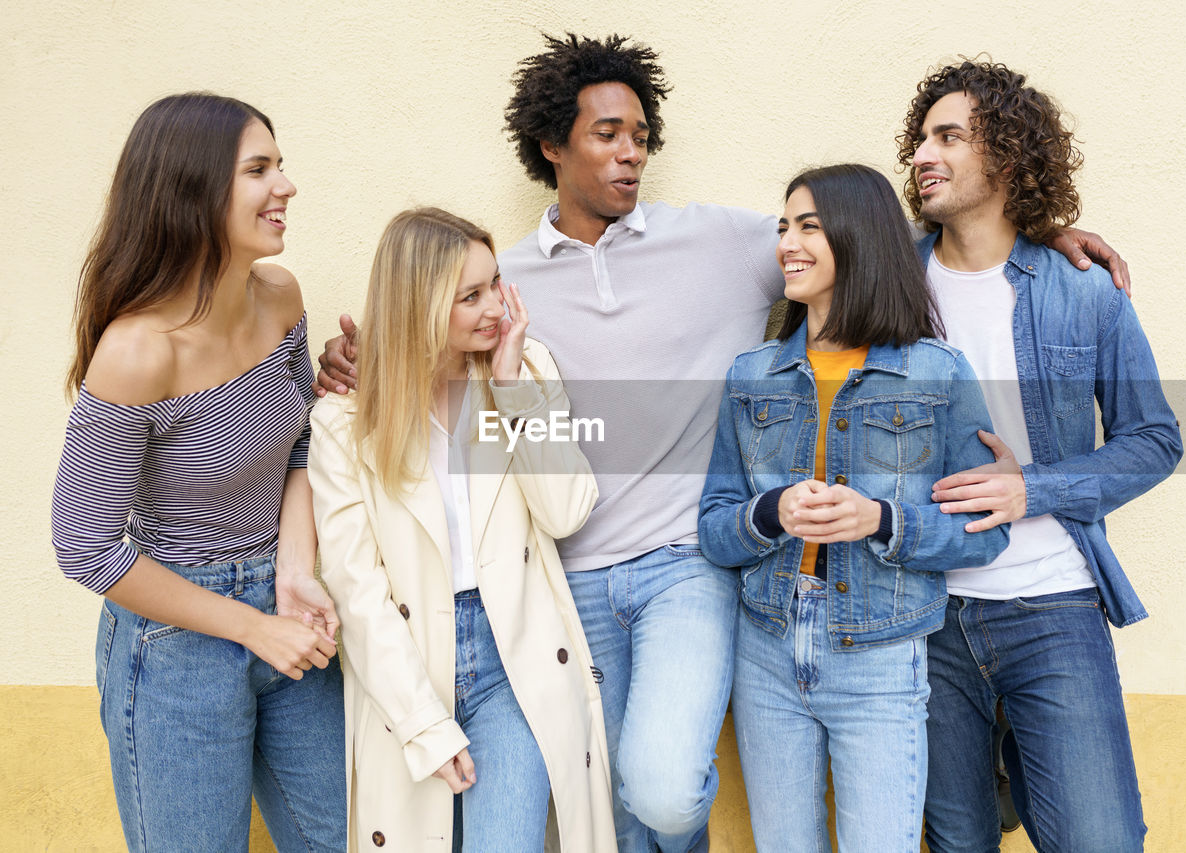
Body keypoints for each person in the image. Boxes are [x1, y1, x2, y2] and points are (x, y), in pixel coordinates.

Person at [314, 34, 1132, 852]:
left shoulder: (722, 241)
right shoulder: (506, 284)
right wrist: (361, 359)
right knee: (630, 815)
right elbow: (429, 326)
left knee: (665, 785)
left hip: (688, 569)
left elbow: (861, 246)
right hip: (572, 582)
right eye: (607, 135)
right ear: (551, 146)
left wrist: (1038, 238)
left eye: (641, 134)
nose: (631, 152)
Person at [895, 60, 1183, 852]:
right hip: (923, 614)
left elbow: (1155, 440)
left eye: (949, 136)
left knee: (1101, 838)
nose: (924, 152)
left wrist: (1033, 488)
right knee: (958, 840)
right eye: (921, 137)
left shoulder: (1081, 288)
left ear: (1010, 159)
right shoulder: (888, 286)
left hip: (1052, 604)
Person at [50, 93, 345, 852]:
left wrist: (294, 568)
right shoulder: (139, 351)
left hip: (286, 611)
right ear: (193, 189)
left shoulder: (280, 298)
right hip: (174, 646)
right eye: (260, 169)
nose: (286, 186)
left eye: (280, 165)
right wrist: (251, 626)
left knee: (348, 835)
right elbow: (86, 547)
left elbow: (302, 442)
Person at [697, 163, 1010, 852]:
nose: (788, 243)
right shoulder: (752, 375)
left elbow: (986, 533)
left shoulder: (937, 371)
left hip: (881, 654)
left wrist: (882, 520)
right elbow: (715, 528)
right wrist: (771, 511)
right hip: (768, 648)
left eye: (808, 226)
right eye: (784, 227)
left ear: (858, 238)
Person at [307, 207, 615, 852]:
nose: (495, 309)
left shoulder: (527, 369)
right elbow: (355, 588)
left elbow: (567, 510)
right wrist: (424, 724)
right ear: (418, 305)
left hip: (515, 658)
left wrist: (511, 389)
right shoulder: (344, 418)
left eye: (494, 285)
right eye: (469, 297)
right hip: (407, 661)